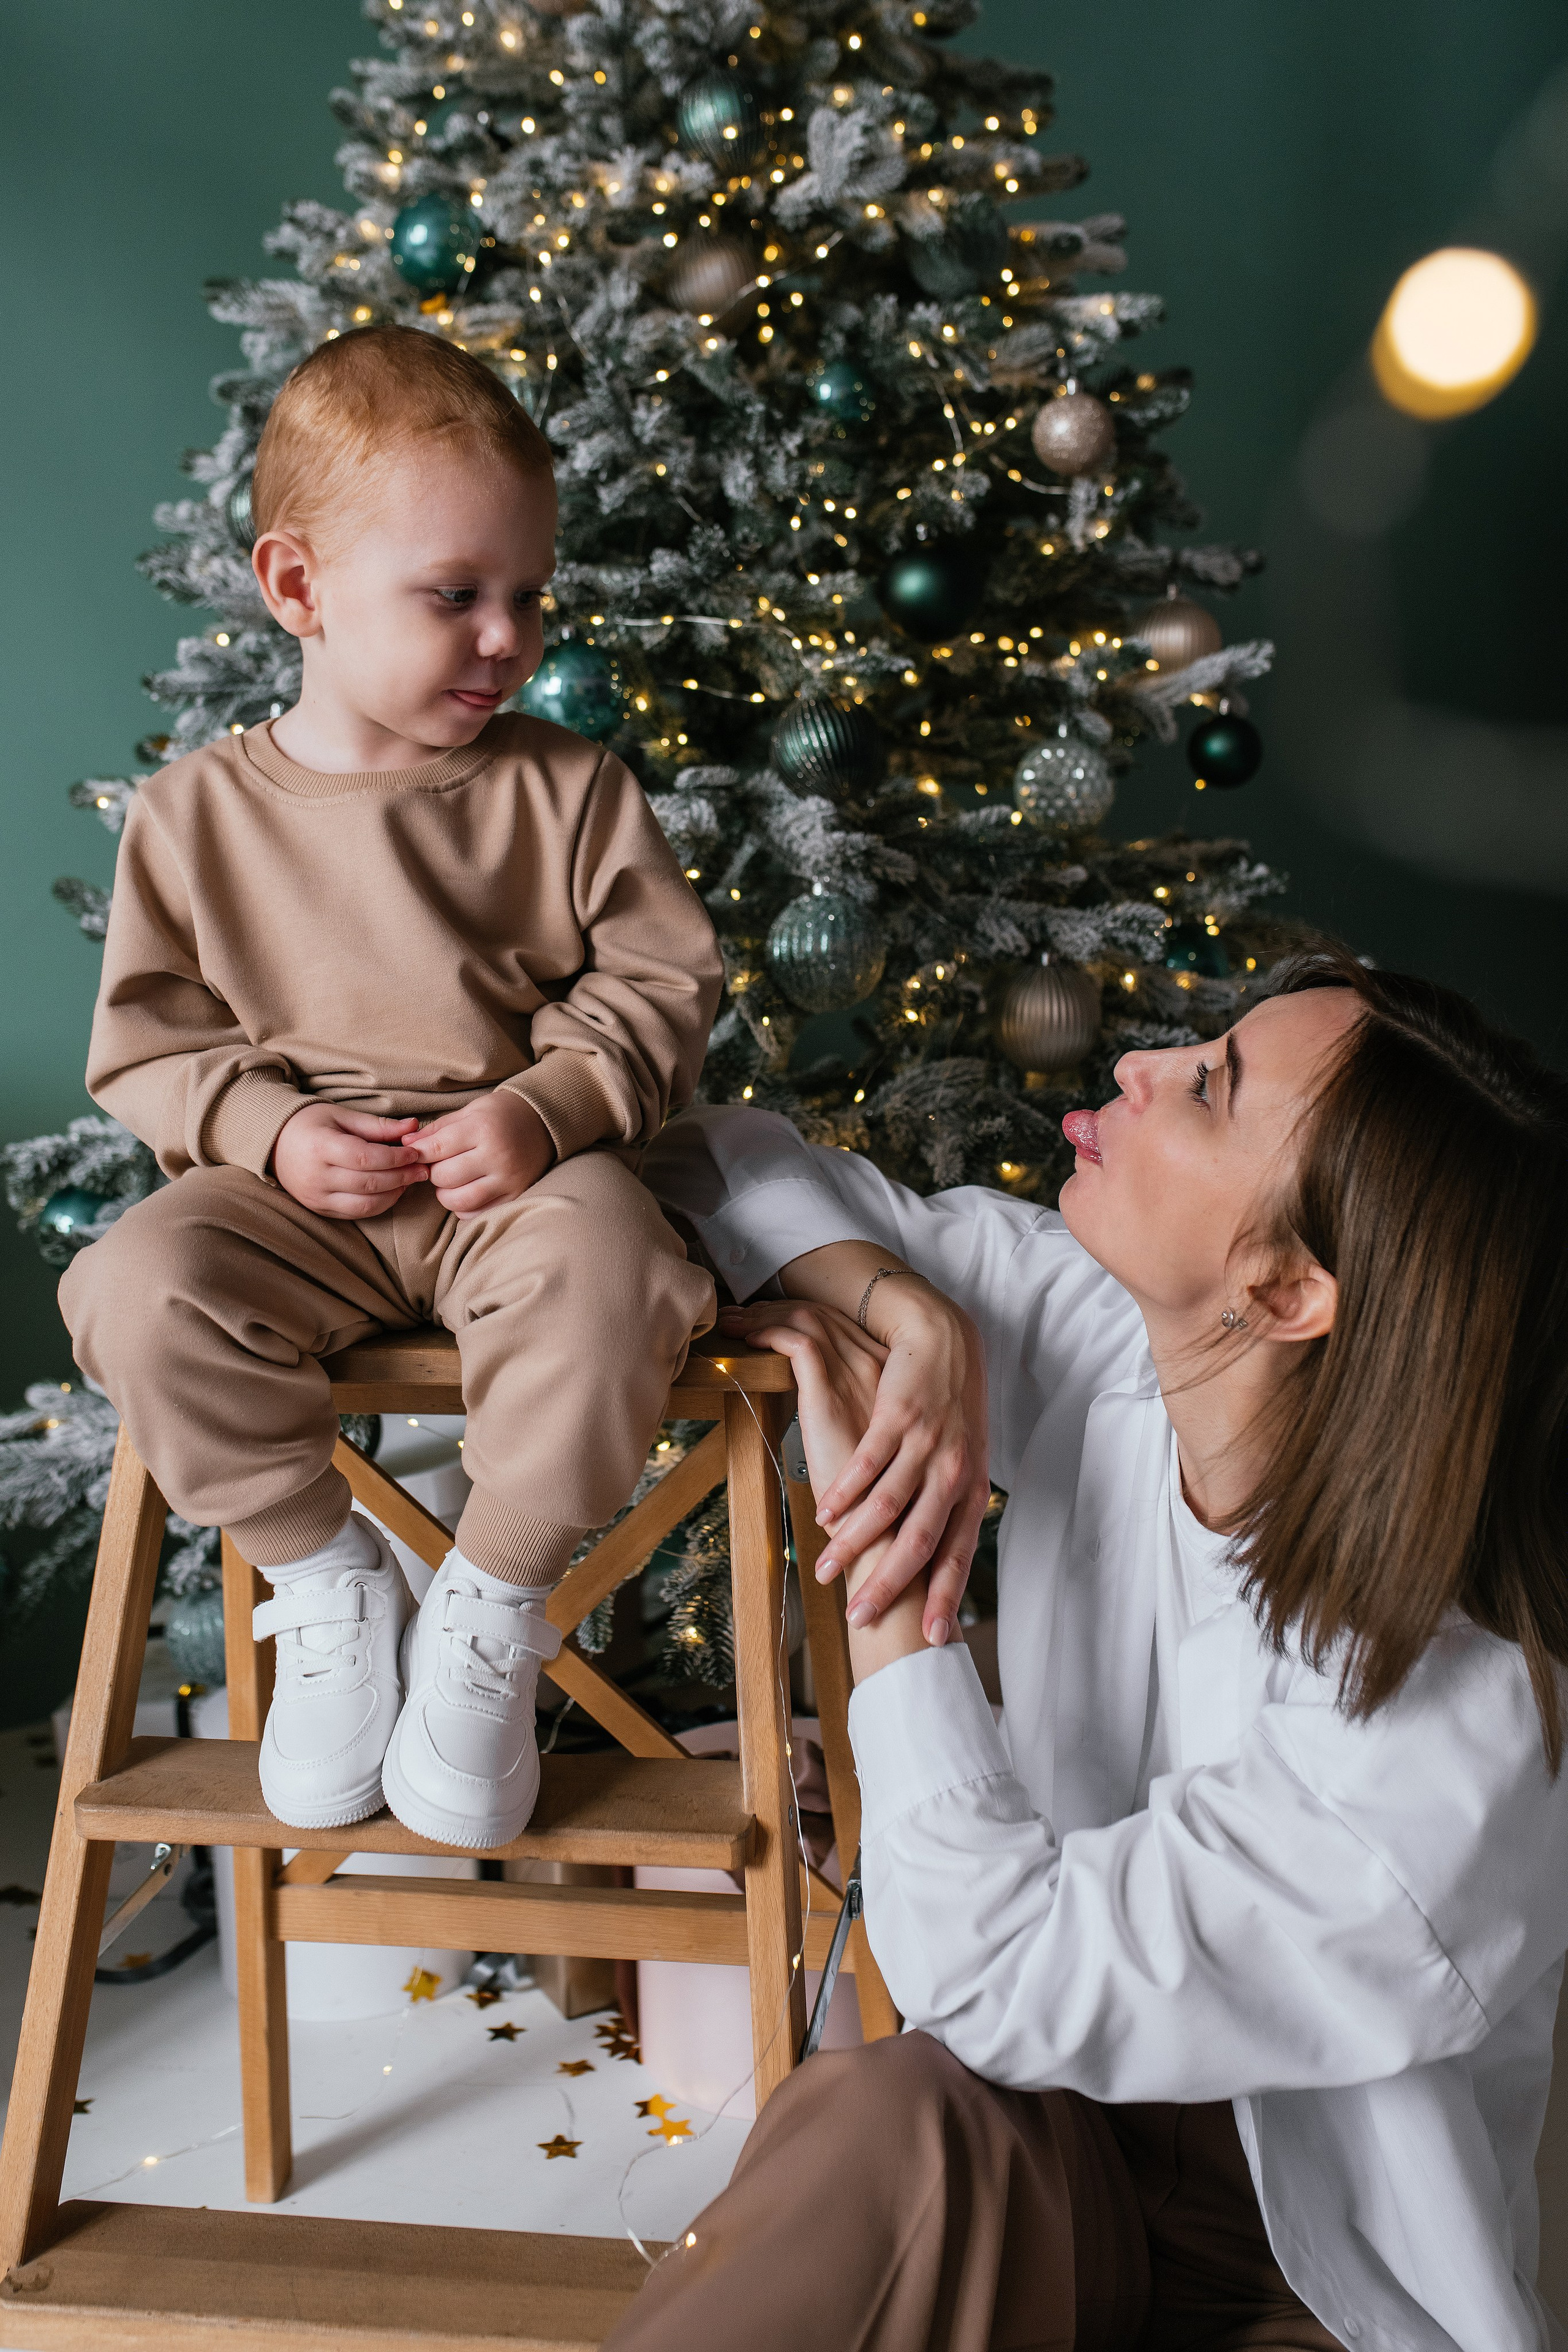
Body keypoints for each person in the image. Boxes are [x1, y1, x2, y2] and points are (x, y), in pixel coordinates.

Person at [615, 947, 1568, 2352]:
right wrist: (907, 1314)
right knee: (893, 2118)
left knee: (919, 2098)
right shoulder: (1129, 1349)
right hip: (1053, 2174)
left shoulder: (1437, 1745)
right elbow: (705, 1162)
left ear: (1288, 1288)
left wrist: (886, 1562)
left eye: (1207, 1087)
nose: (1138, 1061)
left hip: (1299, 2302)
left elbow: (987, 1978)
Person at [61, 326, 719, 1846]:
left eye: (529, 597)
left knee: (619, 1268)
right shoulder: (193, 816)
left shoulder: (568, 790)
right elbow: (149, 1045)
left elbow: (665, 982)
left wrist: (545, 1107)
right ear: (298, 589)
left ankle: (491, 1606)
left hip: (518, 1187)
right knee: (132, 1287)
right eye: (456, 597)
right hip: (299, 1205)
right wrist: (270, 1132)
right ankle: (324, 1577)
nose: (509, 638)